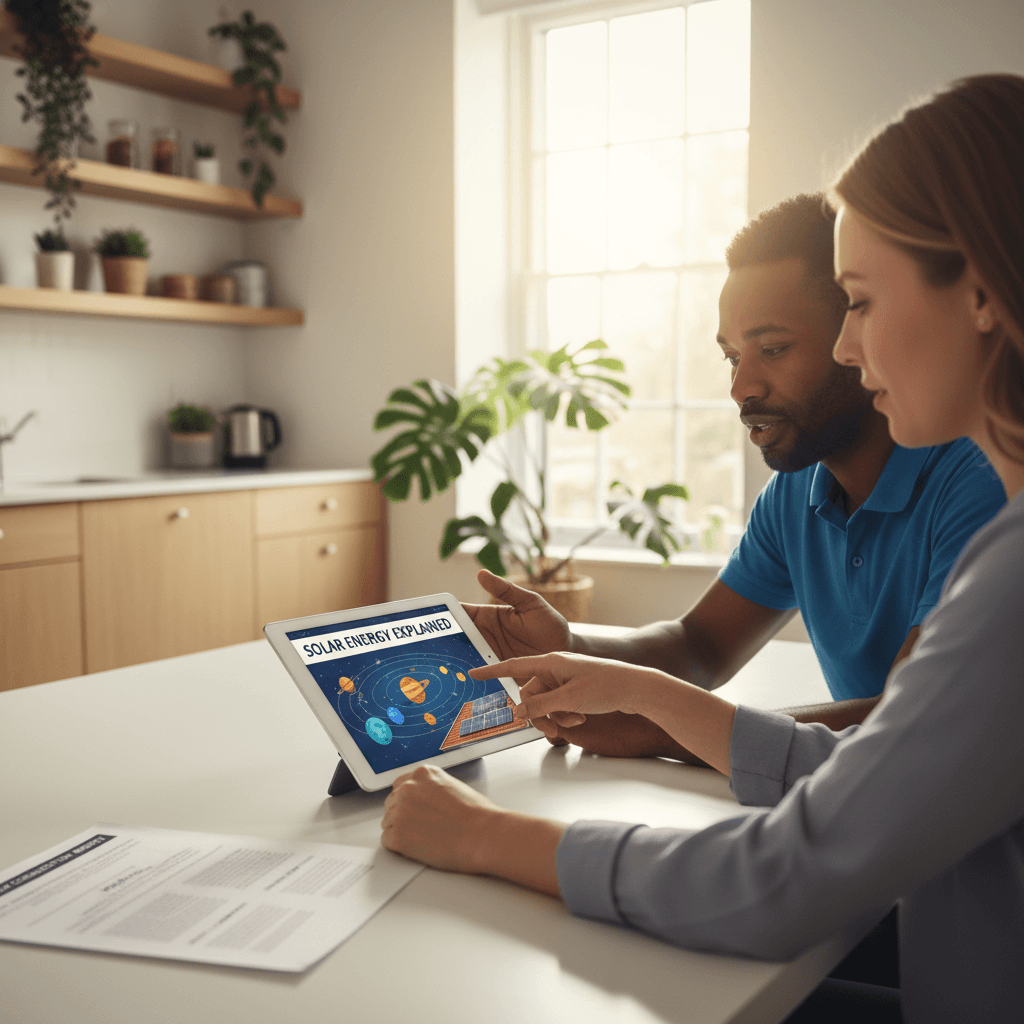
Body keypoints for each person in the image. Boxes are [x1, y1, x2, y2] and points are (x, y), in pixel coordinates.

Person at [381, 74, 1024, 1022]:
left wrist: (484, 837)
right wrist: (632, 687)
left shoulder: (1004, 556)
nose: (849, 348)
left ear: (977, 289)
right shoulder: (819, 501)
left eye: (860, 301)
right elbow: (886, 770)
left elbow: (789, 873)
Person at [463, 194, 1004, 762]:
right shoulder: (796, 493)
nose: (741, 387)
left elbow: (908, 724)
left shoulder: (980, 482)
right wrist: (569, 647)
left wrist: (664, 729)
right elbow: (700, 645)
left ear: (860, 335)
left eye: (773, 348)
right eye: (730, 358)